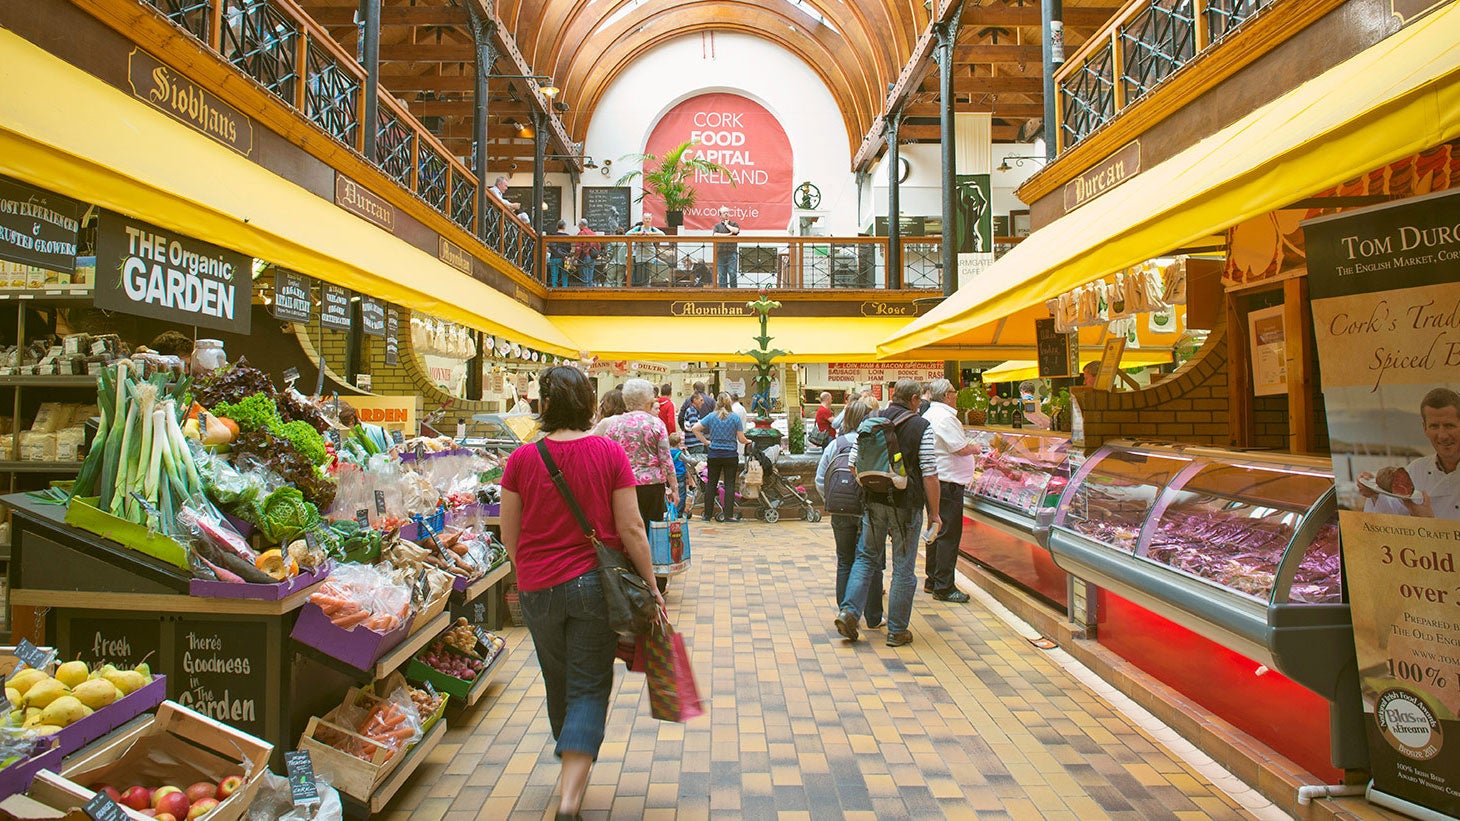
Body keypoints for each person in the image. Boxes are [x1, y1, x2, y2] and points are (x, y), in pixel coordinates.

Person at [498, 366, 662, 820]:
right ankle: (571, 796)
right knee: (589, 684)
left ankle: (569, 764)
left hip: (536, 587)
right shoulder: (609, 453)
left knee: (558, 680)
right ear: (588, 403)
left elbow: (508, 535)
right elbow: (631, 528)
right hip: (595, 586)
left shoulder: (521, 460)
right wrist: (651, 585)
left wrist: (527, 570)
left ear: (544, 405)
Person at [834, 378, 941, 647]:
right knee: (903, 567)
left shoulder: (873, 419)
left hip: (873, 502)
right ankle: (896, 631)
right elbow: (929, 473)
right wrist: (935, 513)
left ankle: (849, 613)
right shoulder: (921, 426)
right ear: (915, 399)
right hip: (907, 505)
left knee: (865, 558)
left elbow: (852, 463)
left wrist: (871, 487)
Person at [815, 400, 883, 629]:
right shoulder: (873, 443)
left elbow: (820, 479)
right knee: (870, 561)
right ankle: (873, 616)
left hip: (840, 511)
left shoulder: (836, 444)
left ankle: (845, 609)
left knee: (845, 560)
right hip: (868, 510)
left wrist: (831, 500)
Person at [1359, 387, 1460, 519]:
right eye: (1434, 426)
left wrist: (1429, 522)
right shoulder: (1417, 469)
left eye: (1449, 425)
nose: (1442, 436)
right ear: (1425, 428)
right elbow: (1391, 513)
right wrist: (1374, 494)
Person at [922, 379, 978, 602]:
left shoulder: (931, 415)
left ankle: (932, 579)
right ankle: (944, 586)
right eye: (954, 392)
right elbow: (960, 448)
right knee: (947, 534)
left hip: (937, 482)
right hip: (948, 483)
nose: (956, 395)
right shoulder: (945, 416)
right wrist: (976, 448)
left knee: (935, 530)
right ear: (946, 395)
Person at [601, 379, 679, 530]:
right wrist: (674, 488)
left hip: (623, 484)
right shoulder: (656, 424)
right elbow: (666, 459)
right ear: (648, 399)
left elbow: (607, 458)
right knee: (652, 529)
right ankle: (650, 553)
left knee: (628, 529)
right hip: (653, 486)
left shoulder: (615, 424)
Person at [693, 392, 751, 522]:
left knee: (711, 484)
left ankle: (707, 515)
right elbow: (741, 439)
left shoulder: (711, 416)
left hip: (714, 454)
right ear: (729, 402)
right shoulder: (735, 418)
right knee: (730, 484)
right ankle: (728, 515)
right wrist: (748, 441)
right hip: (730, 454)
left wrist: (706, 442)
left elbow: (695, 428)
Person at [627, 213, 664, 287]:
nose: (647, 220)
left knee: (648, 272)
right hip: (640, 252)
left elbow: (662, 234)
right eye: (646, 219)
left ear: (651, 220)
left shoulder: (653, 229)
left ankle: (646, 287)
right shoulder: (638, 228)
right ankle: (640, 288)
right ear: (643, 220)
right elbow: (627, 234)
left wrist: (650, 234)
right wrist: (638, 233)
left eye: (649, 219)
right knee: (640, 273)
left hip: (649, 253)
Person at [713, 206, 741, 287]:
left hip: (732, 252)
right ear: (720, 215)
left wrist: (727, 225)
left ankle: (734, 292)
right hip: (720, 253)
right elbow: (715, 235)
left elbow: (736, 231)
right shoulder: (717, 226)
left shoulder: (734, 224)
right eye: (724, 212)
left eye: (727, 212)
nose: (726, 214)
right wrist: (729, 234)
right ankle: (723, 293)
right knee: (722, 275)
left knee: (732, 273)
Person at [679, 382, 708, 454]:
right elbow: (695, 428)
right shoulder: (692, 412)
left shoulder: (693, 411)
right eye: (701, 400)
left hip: (694, 443)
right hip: (695, 444)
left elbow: (680, 417)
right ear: (695, 400)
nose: (703, 402)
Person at [573, 219, 600, 286]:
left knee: (584, 278)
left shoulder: (581, 233)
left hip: (584, 256)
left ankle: (585, 293)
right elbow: (598, 245)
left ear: (581, 225)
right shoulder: (593, 233)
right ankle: (590, 292)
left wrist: (576, 258)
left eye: (579, 225)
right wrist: (597, 254)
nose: (579, 227)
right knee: (590, 277)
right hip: (592, 256)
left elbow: (578, 247)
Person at [547, 220, 572, 288]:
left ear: (557, 226)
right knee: (565, 274)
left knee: (554, 275)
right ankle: (565, 288)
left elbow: (550, 247)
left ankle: (554, 288)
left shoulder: (552, 235)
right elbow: (569, 248)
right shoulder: (567, 236)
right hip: (564, 258)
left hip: (554, 257)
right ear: (564, 227)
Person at [668, 432, 688, 508]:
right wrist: (686, 452)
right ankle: (679, 511)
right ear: (679, 443)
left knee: (671, 492)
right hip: (680, 474)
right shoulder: (679, 453)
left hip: (670, 475)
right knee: (681, 493)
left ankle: (671, 509)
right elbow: (688, 460)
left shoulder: (668, 452)